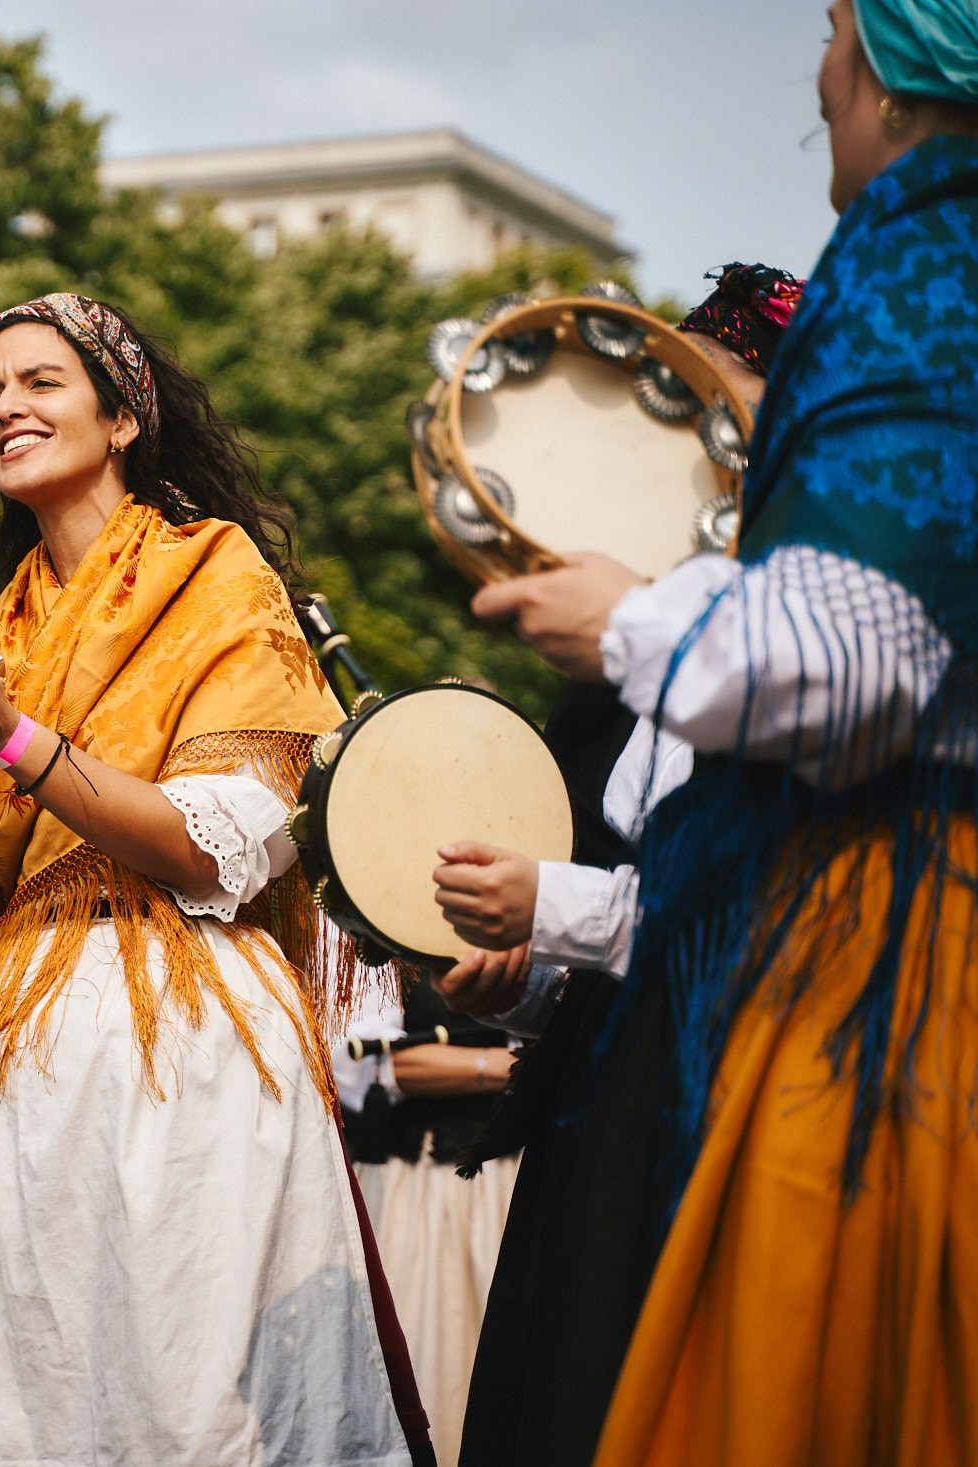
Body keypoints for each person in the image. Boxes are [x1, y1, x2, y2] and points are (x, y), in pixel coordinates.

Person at [469, 5, 978, 1457]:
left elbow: (854, 660)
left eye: (829, 34)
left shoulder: (926, 257)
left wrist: (626, 618)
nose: (817, 80)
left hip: (867, 974)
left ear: (891, 64)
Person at [0, 293, 419, 1466]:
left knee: (183, 1397)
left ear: (120, 421)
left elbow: (225, 843)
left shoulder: (216, 574)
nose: (4, 407)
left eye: (39, 382)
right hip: (2, 1074)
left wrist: (14, 744)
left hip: (184, 1045)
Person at [426, 262, 801, 1467]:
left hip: (740, 1100)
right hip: (608, 1096)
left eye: (721, 415)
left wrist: (558, 903)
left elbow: (773, 909)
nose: (689, 453)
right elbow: (609, 915)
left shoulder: (805, 650)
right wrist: (522, 966)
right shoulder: (599, 694)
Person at [335, 984, 516, 1467]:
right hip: (421, 1193)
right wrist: (504, 1068)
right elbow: (365, 1064)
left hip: (514, 1179)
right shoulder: (378, 947)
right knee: (430, 1358)